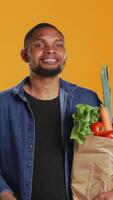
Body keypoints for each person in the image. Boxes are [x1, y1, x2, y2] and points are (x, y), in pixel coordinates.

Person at [0, 22, 110, 200]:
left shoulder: (88, 100)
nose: (50, 50)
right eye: (39, 44)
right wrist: (4, 194)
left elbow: (108, 152)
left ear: (65, 57)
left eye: (58, 44)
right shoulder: (3, 105)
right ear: (24, 55)